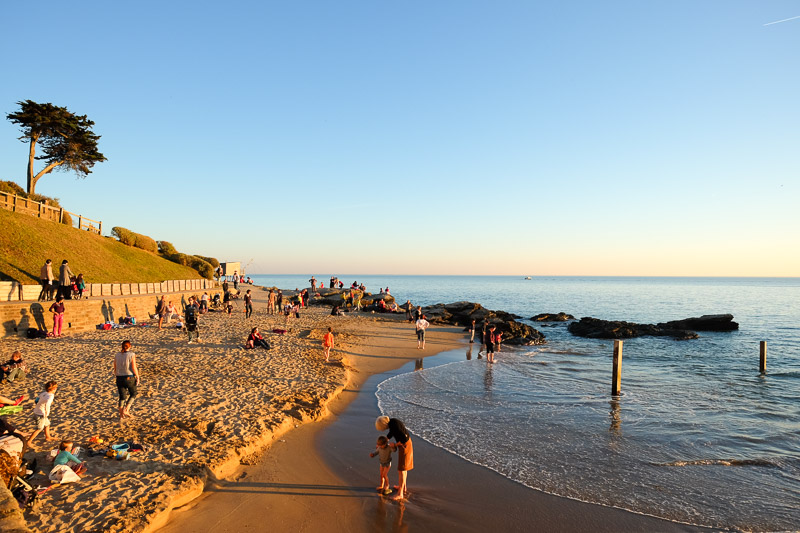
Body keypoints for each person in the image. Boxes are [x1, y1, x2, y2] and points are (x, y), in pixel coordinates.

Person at [375, 416, 413, 500]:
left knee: (402, 470)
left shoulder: (393, 425)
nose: (382, 430)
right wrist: (383, 442)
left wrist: (395, 445)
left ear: (383, 425)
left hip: (405, 446)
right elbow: (391, 433)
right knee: (404, 468)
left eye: (381, 428)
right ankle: (403, 487)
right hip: (405, 445)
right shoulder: (392, 422)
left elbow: (404, 438)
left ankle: (400, 494)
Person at [113, 341, 139, 419]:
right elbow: (134, 367)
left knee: (122, 397)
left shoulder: (117, 355)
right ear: (130, 346)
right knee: (133, 393)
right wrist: (137, 376)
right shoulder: (132, 354)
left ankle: (121, 416)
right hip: (129, 377)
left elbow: (115, 366)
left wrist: (117, 374)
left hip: (119, 377)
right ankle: (126, 409)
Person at [27, 380, 58, 446]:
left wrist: (38, 404)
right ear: (54, 389)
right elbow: (47, 404)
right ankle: (29, 441)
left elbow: (36, 400)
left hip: (37, 410)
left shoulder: (43, 393)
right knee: (39, 428)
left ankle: (48, 436)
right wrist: (47, 412)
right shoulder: (50, 396)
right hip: (41, 414)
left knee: (47, 424)